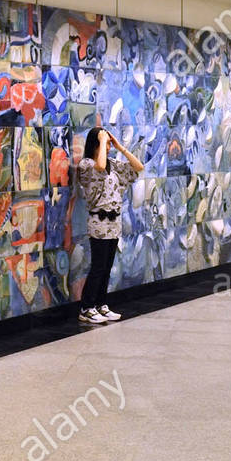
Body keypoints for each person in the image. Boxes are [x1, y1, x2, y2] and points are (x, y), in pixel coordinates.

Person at [75, 126, 145, 325]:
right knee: (98, 266)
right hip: (98, 222)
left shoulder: (112, 164)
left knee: (106, 267)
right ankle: (87, 307)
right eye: (104, 142)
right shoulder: (87, 164)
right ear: (96, 144)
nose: (108, 145)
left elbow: (138, 167)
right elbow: (99, 166)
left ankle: (100, 304)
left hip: (114, 224)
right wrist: (101, 140)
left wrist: (120, 147)